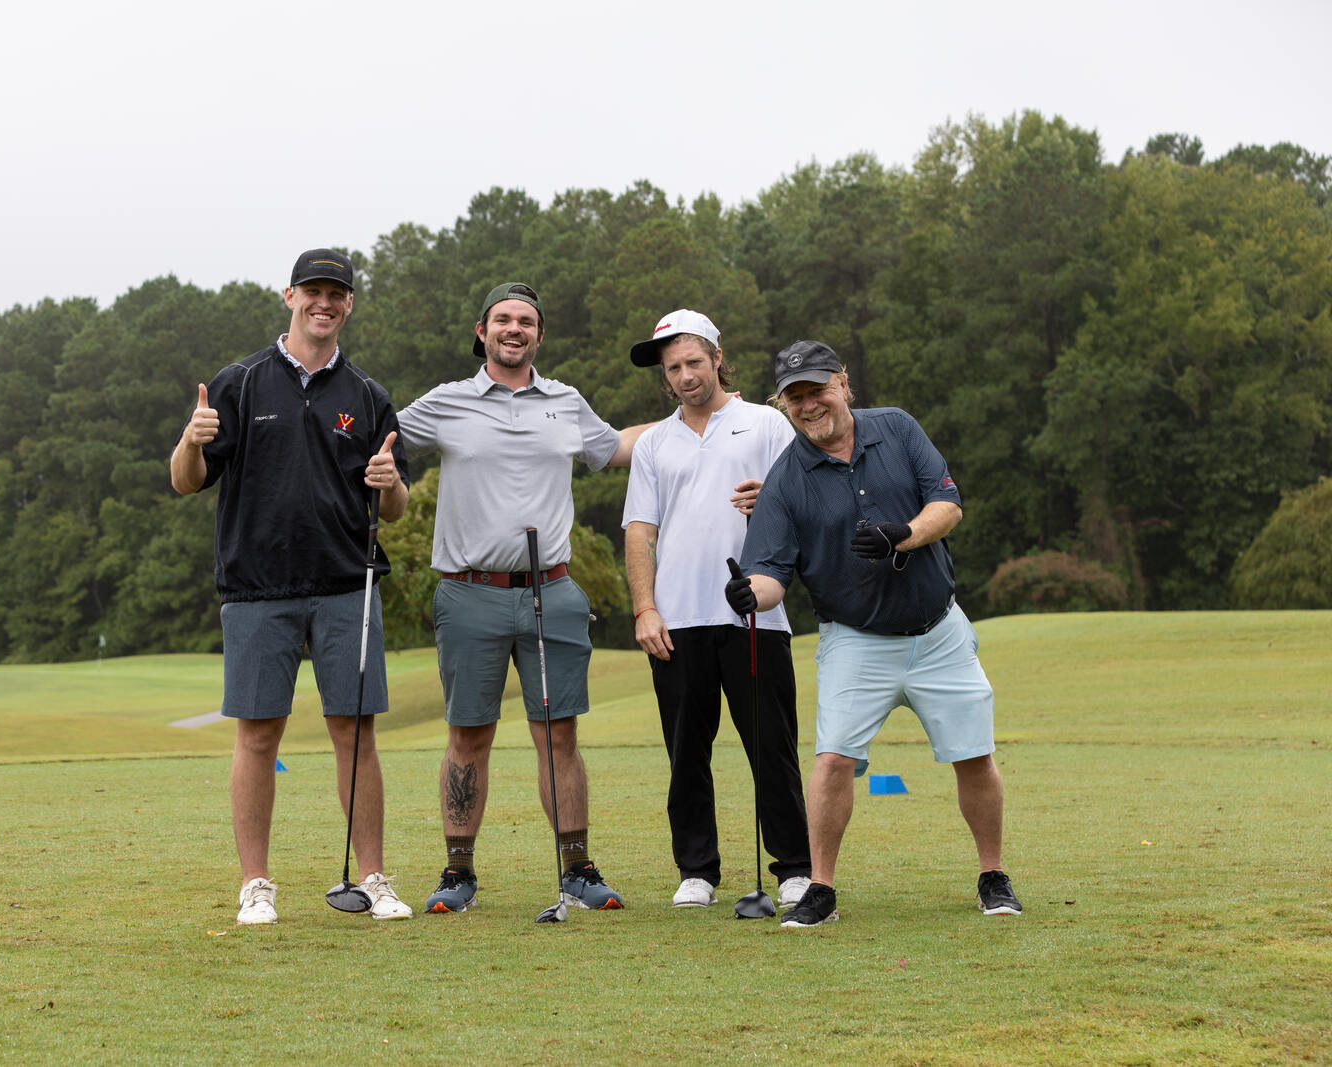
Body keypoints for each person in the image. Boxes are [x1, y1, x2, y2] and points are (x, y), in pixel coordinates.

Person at [725, 339, 1023, 927]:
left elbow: (948, 504)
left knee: (973, 755)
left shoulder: (897, 428)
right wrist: (749, 594)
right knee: (833, 759)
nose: (809, 405)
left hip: (938, 631)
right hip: (855, 639)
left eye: (817, 390)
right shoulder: (784, 480)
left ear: (842, 383)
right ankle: (820, 888)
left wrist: (901, 535)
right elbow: (770, 574)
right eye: (795, 398)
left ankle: (992, 874)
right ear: (783, 404)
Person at [170, 248, 414, 925]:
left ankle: (373, 878)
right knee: (257, 737)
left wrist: (391, 486)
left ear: (349, 304)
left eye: (336, 293)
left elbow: (393, 509)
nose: (323, 303)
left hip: (346, 584)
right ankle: (255, 884)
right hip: (258, 587)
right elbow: (186, 481)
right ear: (290, 296)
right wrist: (191, 441)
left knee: (356, 735)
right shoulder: (241, 382)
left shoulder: (367, 395)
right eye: (313, 291)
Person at [397, 281, 652, 914]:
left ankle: (577, 871)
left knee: (559, 735)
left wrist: (700, 420)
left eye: (527, 321)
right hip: (469, 592)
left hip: (552, 591)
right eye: (503, 319)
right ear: (482, 331)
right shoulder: (446, 402)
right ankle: (458, 873)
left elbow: (617, 447)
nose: (515, 329)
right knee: (468, 737)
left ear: (539, 334)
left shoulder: (565, 401)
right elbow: (378, 440)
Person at [621, 309, 813, 909]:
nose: (684, 376)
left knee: (772, 747)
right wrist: (645, 609)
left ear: (717, 358)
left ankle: (794, 868)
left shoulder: (767, 424)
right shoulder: (655, 443)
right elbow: (640, 530)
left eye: (694, 362)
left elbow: (808, 502)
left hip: (755, 613)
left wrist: (772, 500)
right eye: (673, 368)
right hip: (677, 620)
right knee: (686, 754)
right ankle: (697, 869)